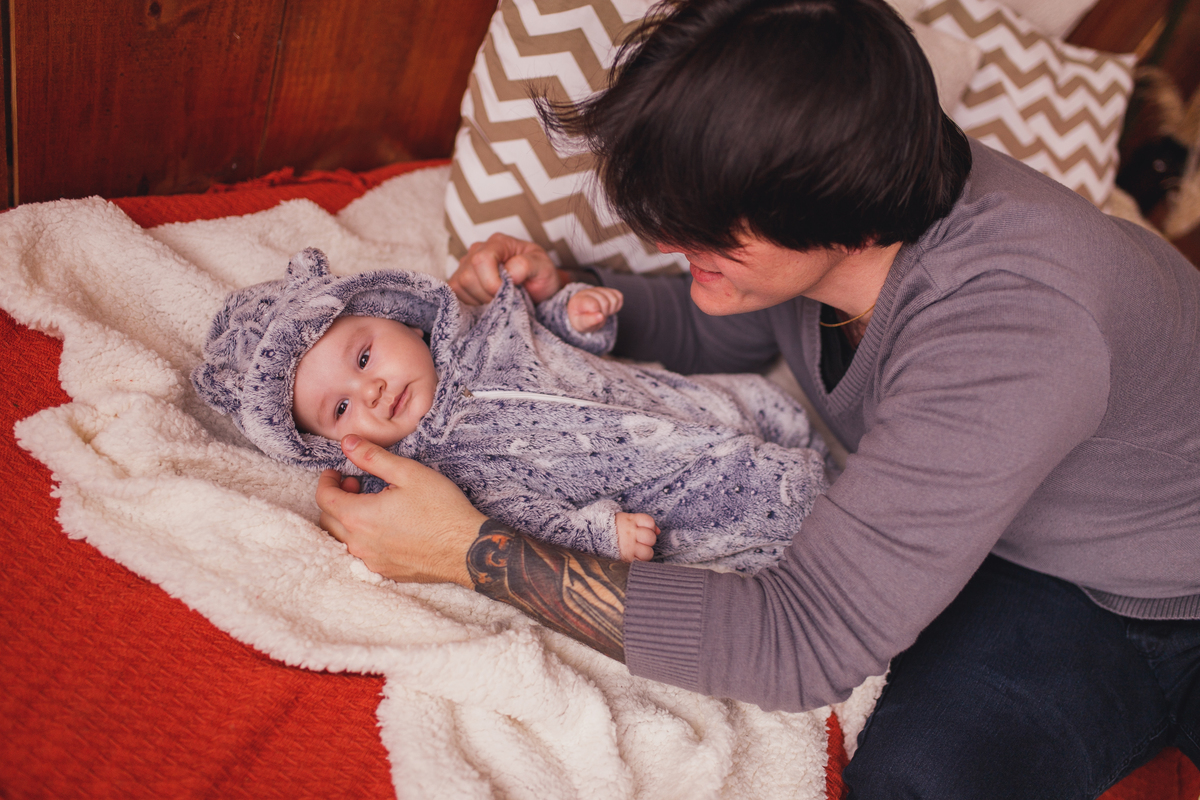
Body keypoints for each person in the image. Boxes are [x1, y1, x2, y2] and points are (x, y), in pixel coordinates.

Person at [315, 0, 1200, 796]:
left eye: (701, 235)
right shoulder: (855, 197)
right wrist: (562, 302)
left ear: (842, 211)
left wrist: (469, 550)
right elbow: (728, 326)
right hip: (1033, 567)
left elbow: (804, 638)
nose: (661, 240)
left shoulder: (1017, 325)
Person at [191, 246, 829, 569]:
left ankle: (814, 455)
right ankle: (811, 510)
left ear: (399, 319)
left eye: (363, 361)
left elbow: (557, 341)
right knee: (771, 517)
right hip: (663, 494)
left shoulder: (489, 323)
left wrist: (577, 318)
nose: (373, 393)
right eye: (339, 409)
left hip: (688, 402)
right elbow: (525, 520)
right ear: (334, 443)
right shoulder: (443, 470)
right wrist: (598, 533)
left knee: (753, 406)